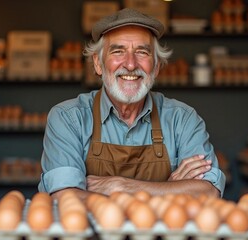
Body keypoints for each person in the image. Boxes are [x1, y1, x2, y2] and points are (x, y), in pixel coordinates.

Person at [38, 8, 226, 200]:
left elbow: (208, 192)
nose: (130, 64)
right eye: (118, 51)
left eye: (142, 52)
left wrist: (121, 186)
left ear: (157, 66)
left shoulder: (182, 119)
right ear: (97, 63)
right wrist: (167, 189)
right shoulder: (68, 118)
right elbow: (64, 196)